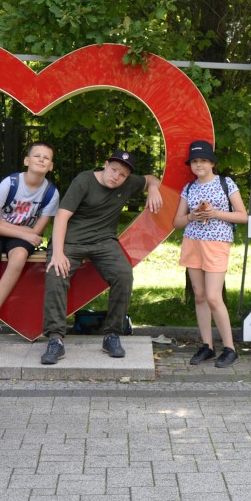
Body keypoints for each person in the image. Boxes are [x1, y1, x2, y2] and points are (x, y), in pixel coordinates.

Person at [40, 150, 162, 365]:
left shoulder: (127, 183)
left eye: (122, 174)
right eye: (114, 170)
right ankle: (55, 339)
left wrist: (153, 189)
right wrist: (57, 253)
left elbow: (151, 179)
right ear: (106, 164)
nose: (116, 176)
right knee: (56, 274)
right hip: (71, 241)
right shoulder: (84, 181)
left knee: (123, 274)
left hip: (104, 242)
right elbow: (61, 216)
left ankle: (112, 334)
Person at [0, 142, 59, 351]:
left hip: (16, 236)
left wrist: (2, 222)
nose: (41, 160)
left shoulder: (51, 193)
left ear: (50, 166)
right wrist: (21, 232)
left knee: (19, 257)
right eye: (37, 156)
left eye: (46, 158)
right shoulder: (10, 183)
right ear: (27, 161)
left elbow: (36, 232)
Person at [173, 140, 247, 368]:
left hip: (217, 243)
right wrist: (191, 216)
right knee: (200, 295)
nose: (199, 165)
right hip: (192, 241)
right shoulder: (189, 188)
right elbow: (177, 222)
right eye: (194, 161)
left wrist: (215, 213)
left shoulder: (226, 183)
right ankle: (208, 346)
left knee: (214, 297)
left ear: (212, 163)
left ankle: (230, 348)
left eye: (203, 160)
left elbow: (243, 216)